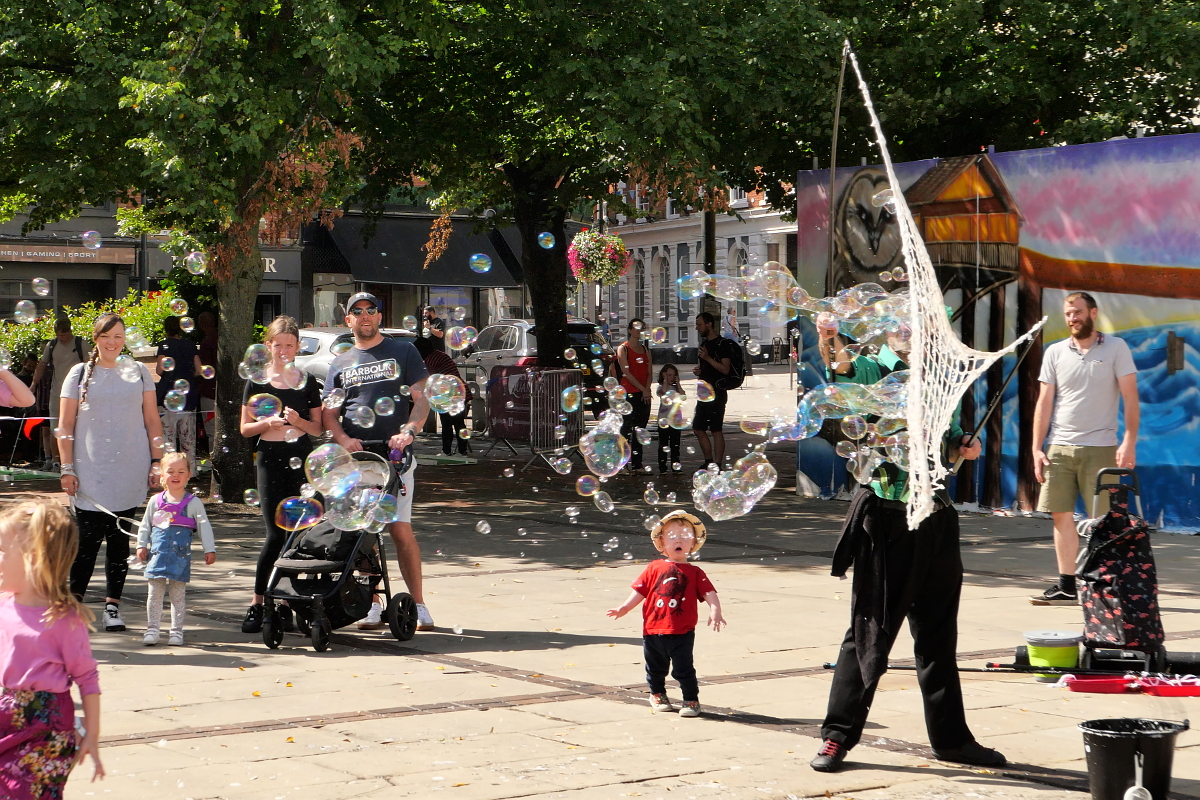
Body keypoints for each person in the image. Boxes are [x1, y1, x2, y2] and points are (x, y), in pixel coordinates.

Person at [810, 323, 1003, 773]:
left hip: (936, 516)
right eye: (896, 324)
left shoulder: (937, 380)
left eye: (914, 324)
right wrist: (830, 337)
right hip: (889, 518)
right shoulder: (874, 368)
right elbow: (842, 372)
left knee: (938, 636)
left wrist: (961, 445)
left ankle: (951, 740)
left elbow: (948, 442)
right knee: (869, 630)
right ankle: (837, 737)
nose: (905, 331)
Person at [322, 292, 435, 631]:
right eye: (357, 312)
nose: (365, 316)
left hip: (395, 460)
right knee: (361, 534)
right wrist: (343, 440)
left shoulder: (404, 351)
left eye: (371, 310)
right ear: (348, 320)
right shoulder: (340, 363)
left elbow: (421, 400)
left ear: (379, 316)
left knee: (400, 530)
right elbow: (329, 414)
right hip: (357, 462)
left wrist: (410, 431)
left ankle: (419, 604)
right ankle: (371, 603)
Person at [1030, 291, 1139, 606]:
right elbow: (1044, 401)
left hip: (1102, 445)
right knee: (1060, 514)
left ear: (1093, 313)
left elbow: (1130, 397)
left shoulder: (1117, 348)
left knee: (1103, 519)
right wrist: (1037, 448)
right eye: (1067, 314)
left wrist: (1129, 439)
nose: (1072, 318)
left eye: (1077, 312)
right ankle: (1067, 585)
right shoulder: (1054, 352)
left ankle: (1104, 584)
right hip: (1060, 448)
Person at [59, 313, 164, 633]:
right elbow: (65, 425)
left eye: (118, 336)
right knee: (87, 542)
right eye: (106, 336)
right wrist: (66, 467)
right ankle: (72, 609)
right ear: (95, 338)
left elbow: (151, 420)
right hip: (90, 468)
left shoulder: (137, 371)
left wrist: (157, 460)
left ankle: (112, 607)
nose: (112, 342)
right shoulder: (79, 373)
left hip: (129, 466)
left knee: (119, 543)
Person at [0, 500, 105, 793]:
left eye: (1, 551)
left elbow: (86, 677)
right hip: (8, 714)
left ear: (32, 557)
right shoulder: (3, 605)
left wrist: (92, 734)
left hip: (48, 726)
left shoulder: (62, 620)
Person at [238, 316, 324, 634]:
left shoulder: (307, 381)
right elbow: (245, 428)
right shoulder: (257, 380)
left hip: (300, 459)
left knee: (296, 535)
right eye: (278, 345)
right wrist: (266, 424)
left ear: (298, 347)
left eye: (290, 345)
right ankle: (258, 603)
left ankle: (285, 603)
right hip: (269, 458)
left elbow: (318, 427)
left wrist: (298, 421)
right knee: (275, 534)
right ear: (268, 346)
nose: (284, 350)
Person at [606, 510, 725, 718]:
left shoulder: (695, 572)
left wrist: (715, 610)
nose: (678, 540)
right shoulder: (654, 567)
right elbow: (639, 591)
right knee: (655, 667)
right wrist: (624, 607)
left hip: (682, 632)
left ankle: (691, 699)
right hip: (653, 630)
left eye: (685, 536)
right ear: (661, 544)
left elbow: (709, 593)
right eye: (672, 536)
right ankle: (657, 694)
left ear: (693, 543)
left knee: (684, 669)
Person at [135, 453, 216, 646]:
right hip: (157, 556)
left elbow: (205, 526)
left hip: (180, 558)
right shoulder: (155, 501)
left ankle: (176, 631)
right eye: (170, 471)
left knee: (177, 596)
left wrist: (209, 548)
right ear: (162, 475)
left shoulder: (193, 503)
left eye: (181, 471)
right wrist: (141, 544)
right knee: (154, 594)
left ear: (189, 475)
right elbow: (145, 525)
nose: (175, 475)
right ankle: (152, 629)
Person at [31, 318, 87, 471]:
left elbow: (91, 365)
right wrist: (33, 384)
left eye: (64, 335)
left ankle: (76, 461)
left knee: (77, 427)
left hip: (77, 392)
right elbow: (42, 365)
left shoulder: (80, 344)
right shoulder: (52, 345)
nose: (62, 338)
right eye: (59, 335)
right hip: (57, 392)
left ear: (70, 331)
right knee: (54, 427)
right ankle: (56, 462)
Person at [156, 315, 203, 473]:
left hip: (167, 397)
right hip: (188, 397)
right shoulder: (190, 345)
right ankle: (190, 472)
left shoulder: (164, 345)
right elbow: (199, 369)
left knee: (168, 438)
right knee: (188, 439)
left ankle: (168, 471)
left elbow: (159, 370)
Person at [691, 312, 738, 470]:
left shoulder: (722, 344)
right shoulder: (704, 345)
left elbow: (725, 369)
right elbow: (709, 367)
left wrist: (708, 359)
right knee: (698, 428)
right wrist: (700, 370)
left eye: (699, 324)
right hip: (703, 391)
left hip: (717, 392)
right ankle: (708, 460)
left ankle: (717, 464)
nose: (697, 328)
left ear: (708, 324)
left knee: (716, 430)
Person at [617, 319, 653, 471]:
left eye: (642, 328)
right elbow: (626, 372)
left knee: (640, 430)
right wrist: (642, 388)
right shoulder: (623, 349)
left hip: (643, 395)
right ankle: (623, 464)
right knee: (625, 430)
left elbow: (649, 372)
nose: (639, 331)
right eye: (636, 328)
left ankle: (637, 464)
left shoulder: (646, 350)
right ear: (630, 330)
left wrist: (647, 389)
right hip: (628, 394)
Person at [422, 349, 470, 456]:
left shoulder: (430, 361)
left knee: (447, 424)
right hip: (460, 391)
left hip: (447, 395)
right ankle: (462, 451)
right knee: (459, 423)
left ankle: (446, 451)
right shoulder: (441, 355)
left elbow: (429, 381)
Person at [655, 364, 685, 473]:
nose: (671, 377)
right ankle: (662, 466)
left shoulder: (677, 388)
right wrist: (665, 381)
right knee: (663, 444)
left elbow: (683, 396)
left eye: (673, 375)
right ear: (663, 376)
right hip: (664, 419)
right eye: (668, 375)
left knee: (675, 444)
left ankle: (675, 464)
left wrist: (678, 383)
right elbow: (663, 392)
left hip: (676, 420)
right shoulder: (661, 387)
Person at [196, 311, 218, 451]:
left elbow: (204, 369)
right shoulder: (222, 339)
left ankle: (213, 463)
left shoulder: (207, 342)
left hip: (209, 391)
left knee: (211, 430)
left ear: (202, 325)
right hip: (223, 390)